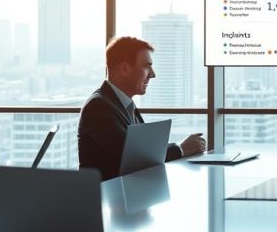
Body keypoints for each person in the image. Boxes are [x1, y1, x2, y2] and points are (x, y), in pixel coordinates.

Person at [77, 36, 206, 181]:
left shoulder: (124, 105)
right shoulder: (98, 107)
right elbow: (134, 154)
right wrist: (181, 149)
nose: (153, 74)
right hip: (106, 199)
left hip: (127, 195)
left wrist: (182, 146)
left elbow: (146, 150)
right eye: (147, 66)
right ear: (125, 68)